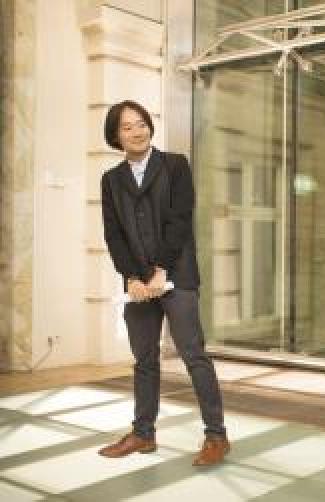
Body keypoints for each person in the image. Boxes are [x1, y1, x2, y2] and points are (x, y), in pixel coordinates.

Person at [98, 100, 230, 466]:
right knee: (144, 359)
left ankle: (217, 436)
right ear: (115, 136)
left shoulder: (175, 165)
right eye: (127, 127)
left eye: (141, 123)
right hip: (138, 285)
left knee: (194, 355)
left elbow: (179, 220)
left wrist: (160, 269)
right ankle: (143, 433)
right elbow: (113, 234)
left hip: (177, 276)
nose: (137, 131)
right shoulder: (111, 180)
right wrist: (131, 277)